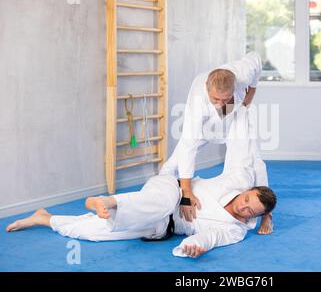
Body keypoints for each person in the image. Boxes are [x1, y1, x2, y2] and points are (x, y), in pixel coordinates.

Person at [6, 107, 277, 258]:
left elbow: (212, 236)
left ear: (257, 216)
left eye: (251, 212)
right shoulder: (237, 180)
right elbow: (246, 152)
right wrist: (239, 106)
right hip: (170, 189)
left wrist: (196, 245)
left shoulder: (236, 230)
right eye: (246, 201)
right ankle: (110, 201)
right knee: (158, 202)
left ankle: (45, 218)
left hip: (162, 226)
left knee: (94, 233)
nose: (244, 209)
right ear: (246, 191)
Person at [159, 52, 272, 232]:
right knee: (181, 152)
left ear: (235, 86)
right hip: (207, 122)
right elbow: (188, 146)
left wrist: (248, 98)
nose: (219, 103)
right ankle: (160, 186)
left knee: (254, 156)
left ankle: (267, 215)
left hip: (235, 110)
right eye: (216, 99)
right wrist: (187, 193)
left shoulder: (242, 73)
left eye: (224, 99)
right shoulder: (198, 104)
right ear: (206, 88)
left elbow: (256, 59)